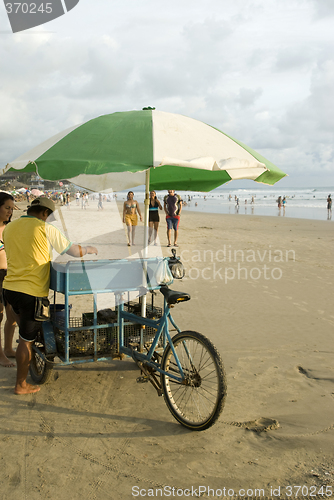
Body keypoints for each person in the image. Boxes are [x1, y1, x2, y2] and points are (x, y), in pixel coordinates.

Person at [2, 196, 98, 395]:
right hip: (31, 292)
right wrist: (88, 248)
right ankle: (20, 384)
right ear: (45, 213)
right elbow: (73, 251)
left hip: (9, 288)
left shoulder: (9, 228)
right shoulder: (45, 228)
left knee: (22, 331)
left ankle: (25, 361)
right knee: (25, 340)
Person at [0, 193, 17, 367]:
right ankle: (0, 355)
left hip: (10, 274)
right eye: (7, 208)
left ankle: (8, 348)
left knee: (11, 314)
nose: (10, 212)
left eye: (12, 208)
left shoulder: (10, 228)